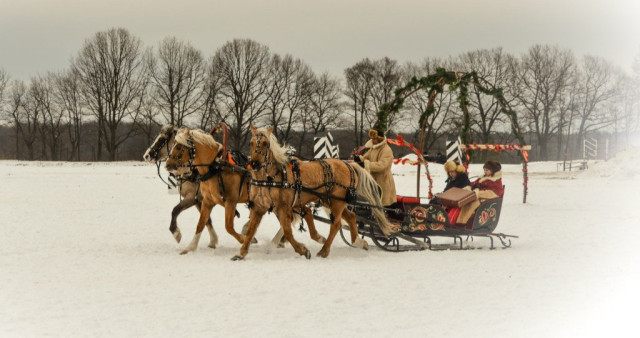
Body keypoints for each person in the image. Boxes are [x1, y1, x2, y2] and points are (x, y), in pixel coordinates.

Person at [354, 126, 397, 208]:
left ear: (380, 139)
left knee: (382, 205)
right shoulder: (373, 148)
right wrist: (359, 159)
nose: (373, 141)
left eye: (375, 139)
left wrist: (366, 164)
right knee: (373, 204)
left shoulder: (386, 150)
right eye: (372, 139)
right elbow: (365, 158)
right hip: (373, 182)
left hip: (383, 183)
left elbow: (382, 165)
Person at [457, 160, 504, 225]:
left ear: (493, 170)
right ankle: (459, 222)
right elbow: (474, 184)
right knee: (465, 202)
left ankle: (463, 223)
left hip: (486, 200)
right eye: (484, 170)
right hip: (477, 196)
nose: (485, 172)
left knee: (474, 203)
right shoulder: (482, 177)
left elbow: (494, 193)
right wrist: (469, 188)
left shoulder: (496, 180)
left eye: (487, 170)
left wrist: (478, 193)